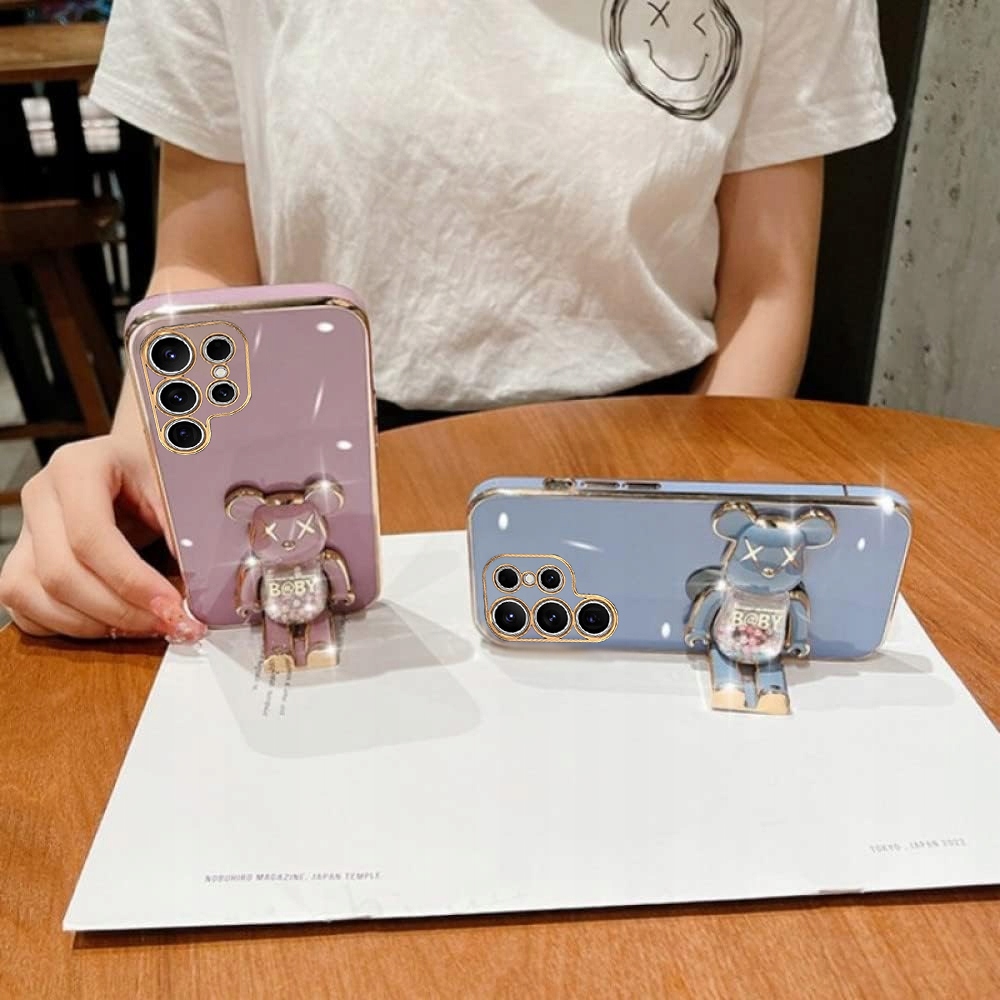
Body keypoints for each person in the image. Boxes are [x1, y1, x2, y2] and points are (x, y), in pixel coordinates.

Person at [0, 0, 896, 639]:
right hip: (308, 472)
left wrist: (695, 517)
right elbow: (206, 266)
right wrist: (143, 460)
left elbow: (767, 287)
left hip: (662, 454)